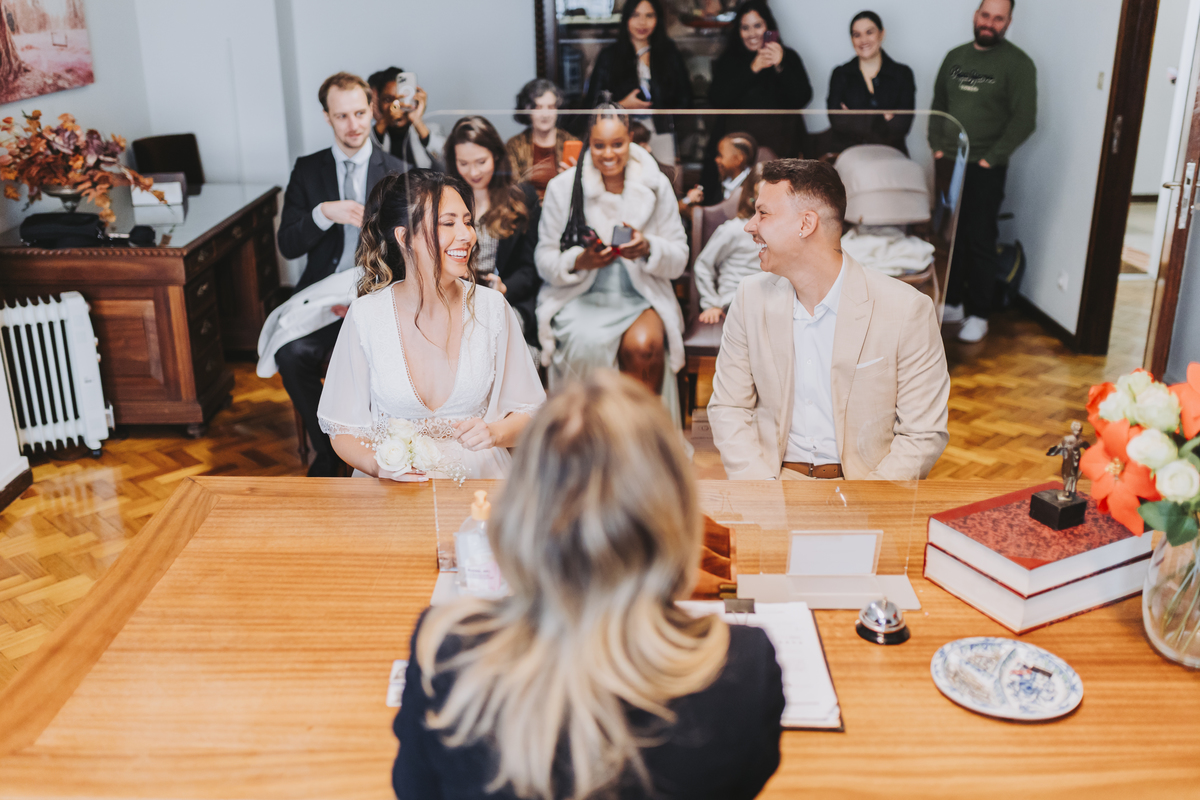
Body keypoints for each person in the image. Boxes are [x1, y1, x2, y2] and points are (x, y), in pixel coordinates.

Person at [392, 370, 785, 800]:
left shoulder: (444, 657)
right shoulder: (743, 669)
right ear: (676, 513)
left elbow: (415, 788)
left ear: (522, 510)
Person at [708, 159, 950, 481]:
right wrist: (763, 491)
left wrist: (865, 502)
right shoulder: (749, 298)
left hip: (868, 484)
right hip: (774, 480)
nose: (750, 226)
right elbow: (729, 408)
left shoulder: (906, 309)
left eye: (763, 213)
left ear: (806, 224)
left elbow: (923, 435)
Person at [316, 170, 545, 481]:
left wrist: (493, 433)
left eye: (467, 221)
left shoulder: (492, 308)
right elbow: (342, 429)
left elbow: (529, 413)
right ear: (404, 237)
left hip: (479, 479)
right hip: (391, 485)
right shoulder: (366, 316)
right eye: (448, 223)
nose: (467, 235)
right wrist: (377, 466)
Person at [275, 72, 409, 477]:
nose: (353, 125)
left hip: (378, 297)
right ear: (327, 118)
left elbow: (410, 251)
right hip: (321, 298)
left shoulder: (398, 169)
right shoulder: (308, 170)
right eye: (341, 116)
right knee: (291, 354)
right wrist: (322, 214)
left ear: (372, 109)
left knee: (373, 363)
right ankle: (328, 447)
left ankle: (366, 446)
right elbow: (288, 245)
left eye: (359, 113)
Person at [535, 100, 689, 426]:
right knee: (585, 344)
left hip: (640, 292)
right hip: (580, 293)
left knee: (646, 347)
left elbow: (678, 257)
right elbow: (544, 259)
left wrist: (648, 248)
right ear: (587, 143)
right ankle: (588, 440)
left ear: (631, 137)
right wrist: (580, 260)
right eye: (599, 145)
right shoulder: (563, 188)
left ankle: (644, 439)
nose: (608, 154)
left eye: (618, 144)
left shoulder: (655, 184)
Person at [929, 0, 1036, 344]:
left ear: (1008, 22)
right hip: (949, 163)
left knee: (980, 239)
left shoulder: (1018, 64)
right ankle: (955, 303)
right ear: (976, 16)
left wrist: (992, 158)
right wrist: (937, 146)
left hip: (984, 168)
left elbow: (1024, 120)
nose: (990, 23)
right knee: (951, 236)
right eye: (986, 15)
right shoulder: (955, 56)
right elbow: (938, 105)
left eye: (998, 18)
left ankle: (979, 313)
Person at [445, 115, 542, 347]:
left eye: (481, 162)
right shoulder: (446, 201)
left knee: (487, 337)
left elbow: (530, 267)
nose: (473, 172)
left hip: (506, 299)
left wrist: (504, 287)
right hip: (455, 297)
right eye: (464, 164)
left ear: (496, 156)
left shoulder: (521, 198)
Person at [703, 0, 812, 202]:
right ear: (738, 31)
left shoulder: (788, 57)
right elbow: (717, 99)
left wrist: (781, 66)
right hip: (739, 149)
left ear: (768, 27)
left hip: (781, 145)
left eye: (757, 26)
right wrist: (752, 68)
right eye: (745, 27)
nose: (752, 33)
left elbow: (802, 98)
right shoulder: (730, 59)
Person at [583, 0, 692, 165]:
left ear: (658, 19)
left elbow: (685, 97)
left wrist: (663, 111)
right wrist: (620, 105)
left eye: (649, 16)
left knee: (665, 177)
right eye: (635, 15)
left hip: (661, 130)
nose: (642, 22)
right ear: (626, 19)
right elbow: (592, 103)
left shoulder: (668, 53)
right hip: (620, 129)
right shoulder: (609, 56)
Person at [826, 11, 916, 155]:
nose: (863, 40)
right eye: (857, 35)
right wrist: (883, 119)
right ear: (852, 39)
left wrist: (853, 117)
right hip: (850, 153)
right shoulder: (840, 74)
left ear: (882, 34)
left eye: (869, 32)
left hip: (891, 154)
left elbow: (902, 126)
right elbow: (837, 122)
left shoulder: (903, 74)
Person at [694, 163, 764, 324]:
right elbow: (703, 265)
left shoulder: (783, 232)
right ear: (750, 197)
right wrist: (711, 303)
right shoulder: (734, 229)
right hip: (735, 299)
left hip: (769, 299)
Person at [505, 78, 579, 201]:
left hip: (562, 209)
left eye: (550, 107)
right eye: (538, 107)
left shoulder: (572, 142)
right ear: (527, 110)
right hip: (527, 212)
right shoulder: (515, 146)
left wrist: (574, 177)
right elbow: (512, 190)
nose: (545, 114)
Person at [368, 66, 446, 171]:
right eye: (388, 99)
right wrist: (385, 120)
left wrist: (417, 122)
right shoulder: (368, 134)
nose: (396, 105)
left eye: (402, 99)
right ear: (379, 103)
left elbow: (448, 164)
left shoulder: (432, 130)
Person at [682, 132, 757, 211]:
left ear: (738, 159)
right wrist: (690, 200)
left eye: (721, 156)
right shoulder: (719, 183)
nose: (716, 160)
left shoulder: (751, 188)